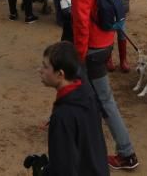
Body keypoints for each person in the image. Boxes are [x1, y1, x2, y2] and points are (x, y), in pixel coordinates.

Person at [69, 0, 139, 169]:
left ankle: (126, 151)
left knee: (100, 99)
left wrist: (79, 55)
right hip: (106, 41)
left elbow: (80, 23)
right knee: (96, 97)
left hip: (91, 48)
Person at [39, 41, 109, 176]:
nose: (40, 70)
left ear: (60, 74)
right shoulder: (87, 95)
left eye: (45, 67)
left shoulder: (62, 117)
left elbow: (63, 167)